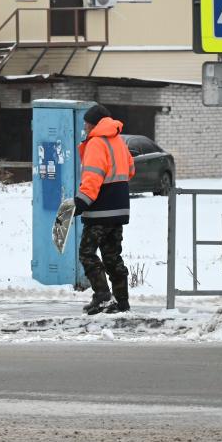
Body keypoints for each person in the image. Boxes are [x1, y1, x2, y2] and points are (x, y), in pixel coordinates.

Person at [74, 104, 136, 314]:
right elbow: (131, 170)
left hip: (100, 210)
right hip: (119, 209)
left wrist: (81, 202)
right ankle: (122, 302)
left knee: (87, 253)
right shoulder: (119, 141)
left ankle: (101, 295)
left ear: (93, 123)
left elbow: (92, 176)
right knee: (112, 257)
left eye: (86, 123)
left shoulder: (96, 143)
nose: (84, 127)